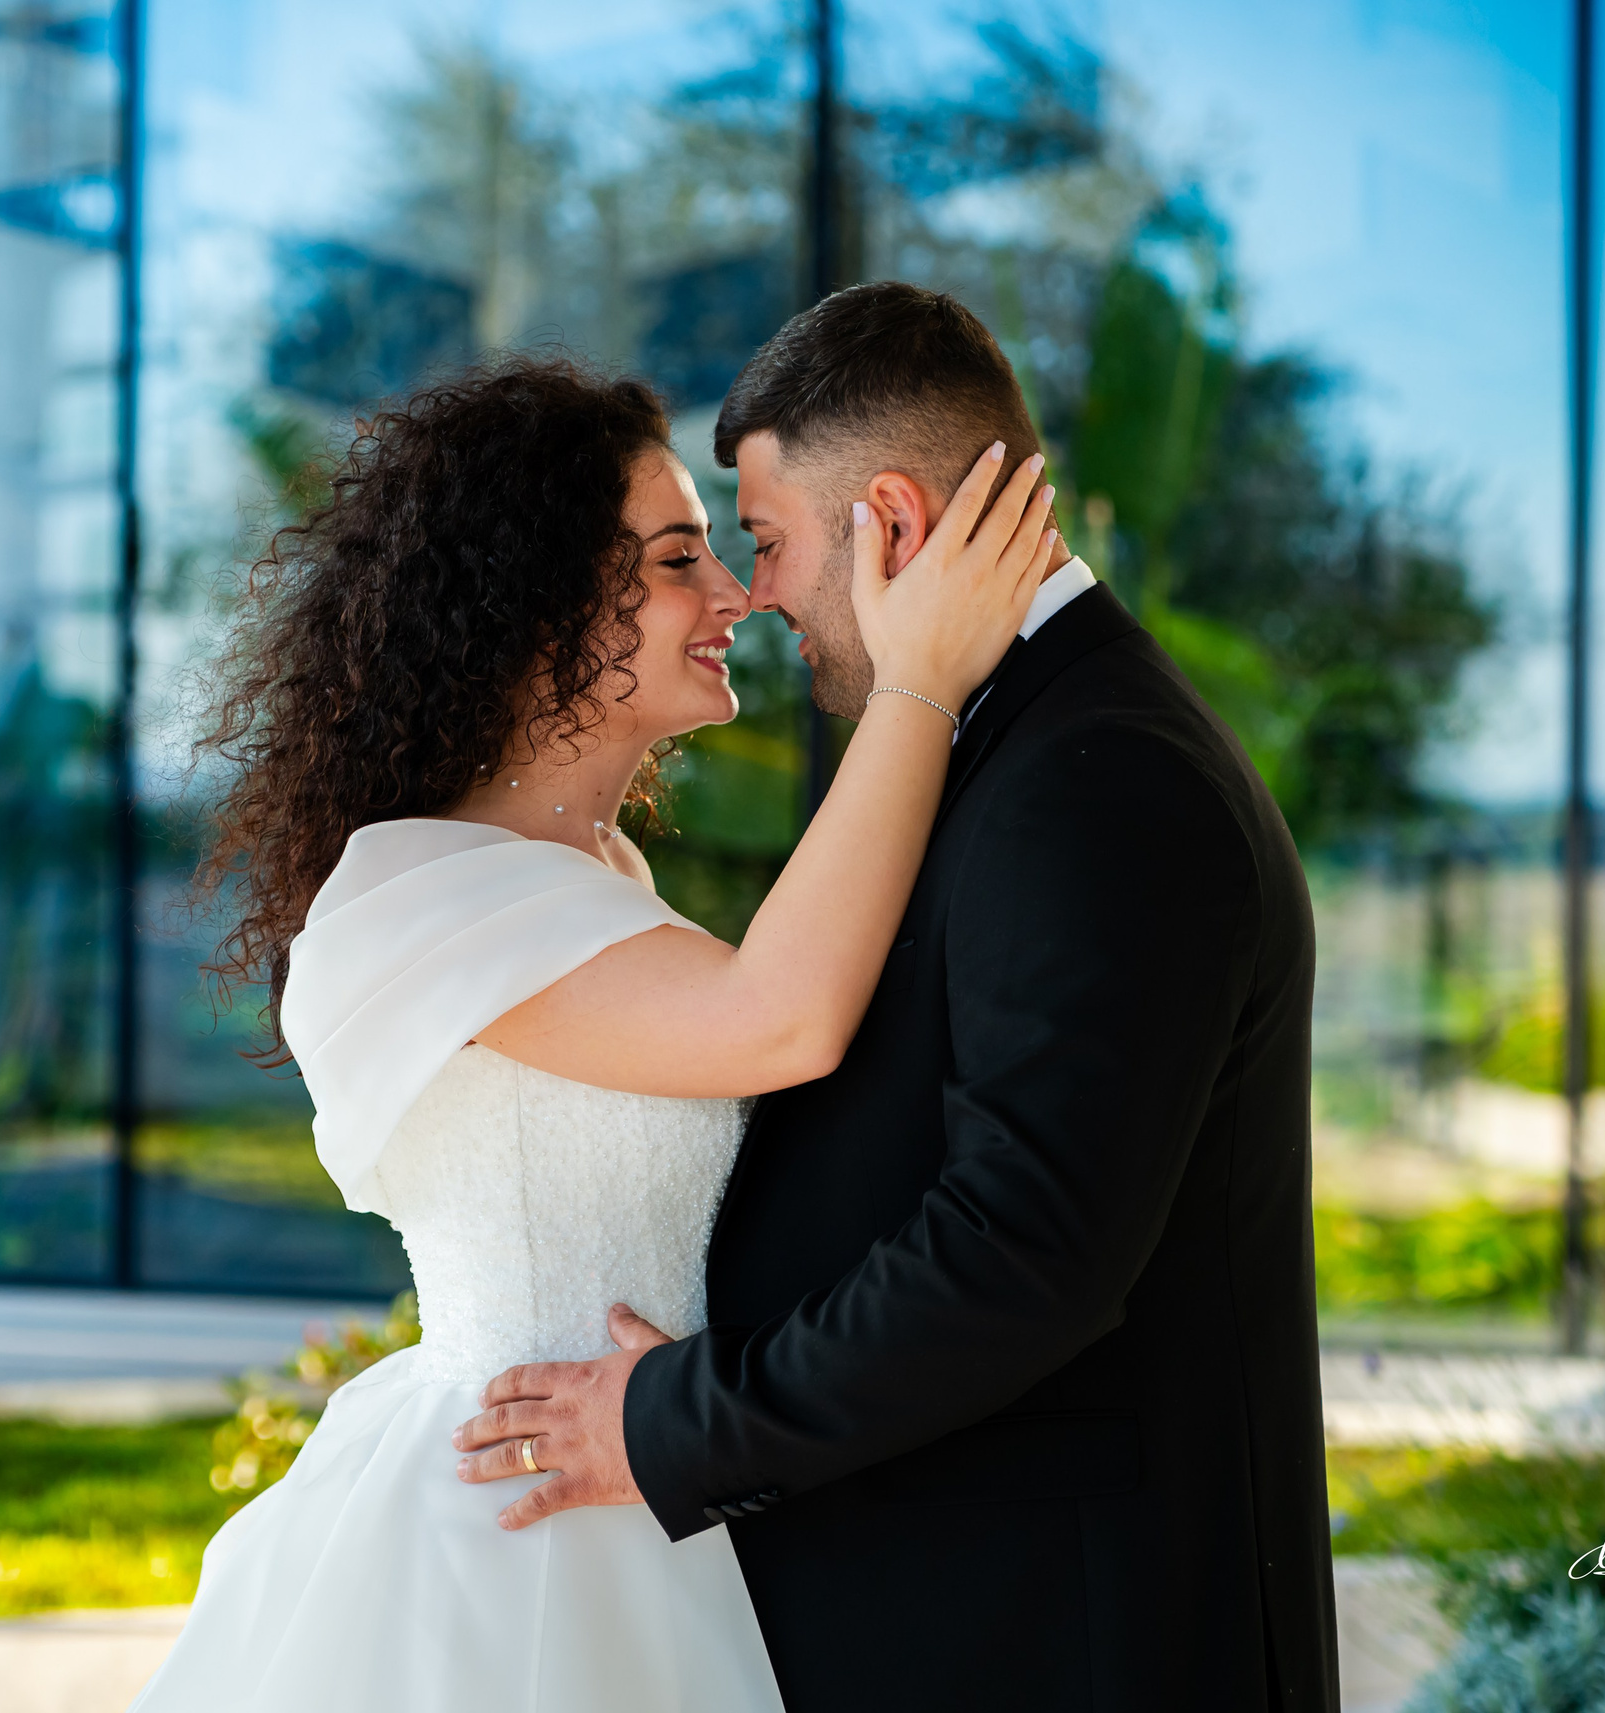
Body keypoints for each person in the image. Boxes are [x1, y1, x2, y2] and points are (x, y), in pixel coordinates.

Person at [126, 351, 1057, 1713]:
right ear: (541, 595)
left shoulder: (601, 876)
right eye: (682, 556)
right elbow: (783, 1020)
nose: (735, 594)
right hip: (514, 1536)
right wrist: (921, 684)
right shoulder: (415, 895)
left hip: (656, 1488)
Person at [451, 283, 1339, 1709]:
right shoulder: (1027, 748)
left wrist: (677, 1422)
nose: (759, 597)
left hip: (1068, 1637)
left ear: (893, 526)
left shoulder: (1101, 779)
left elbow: (1020, 1254)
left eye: (767, 541)